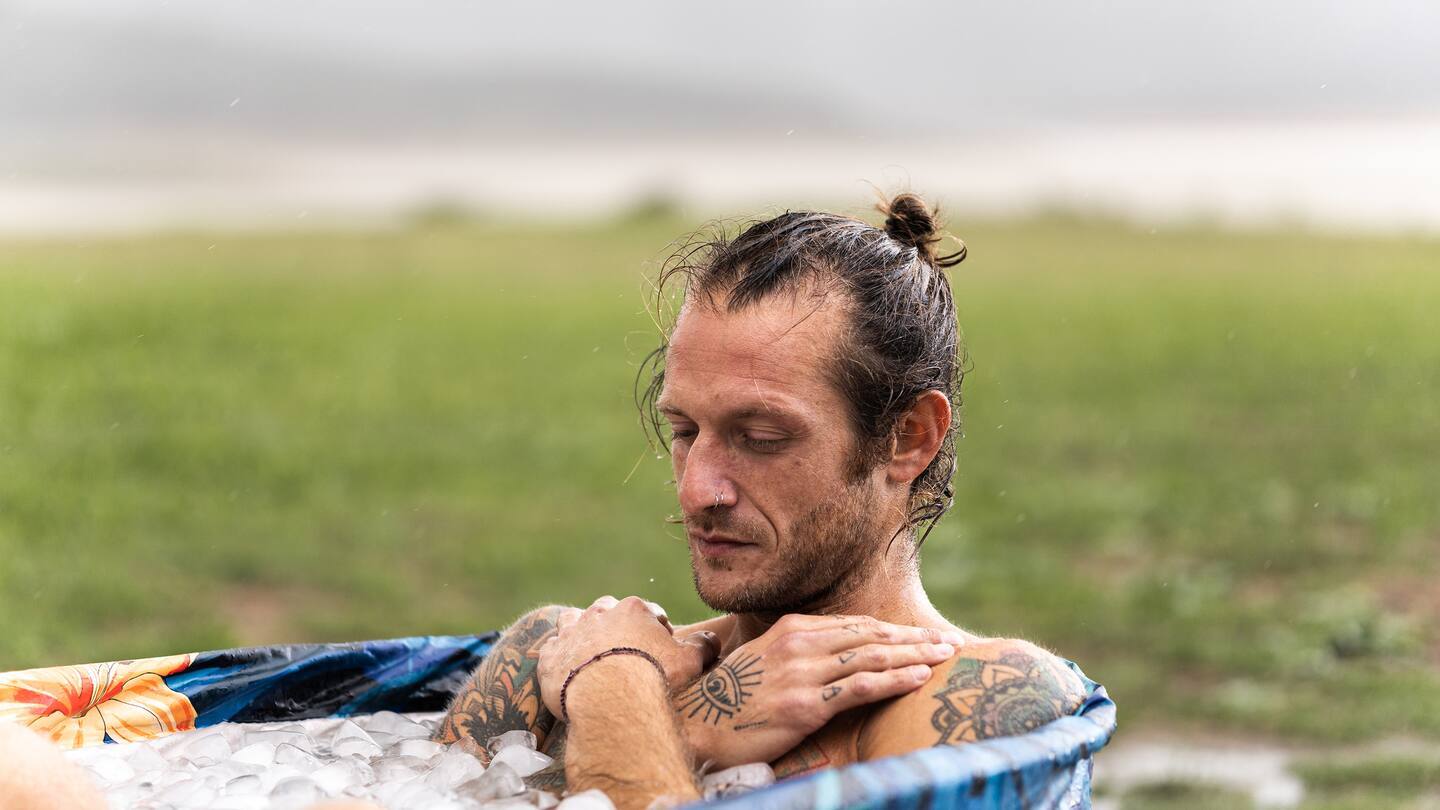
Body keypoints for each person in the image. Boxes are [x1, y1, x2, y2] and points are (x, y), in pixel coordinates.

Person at [434, 193, 1089, 808]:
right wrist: (685, 726)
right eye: (685, 432)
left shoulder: (985, 695)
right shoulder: (547, 657)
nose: (696, 490)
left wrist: (616, 685)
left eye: (762, 437)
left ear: (907, 439)